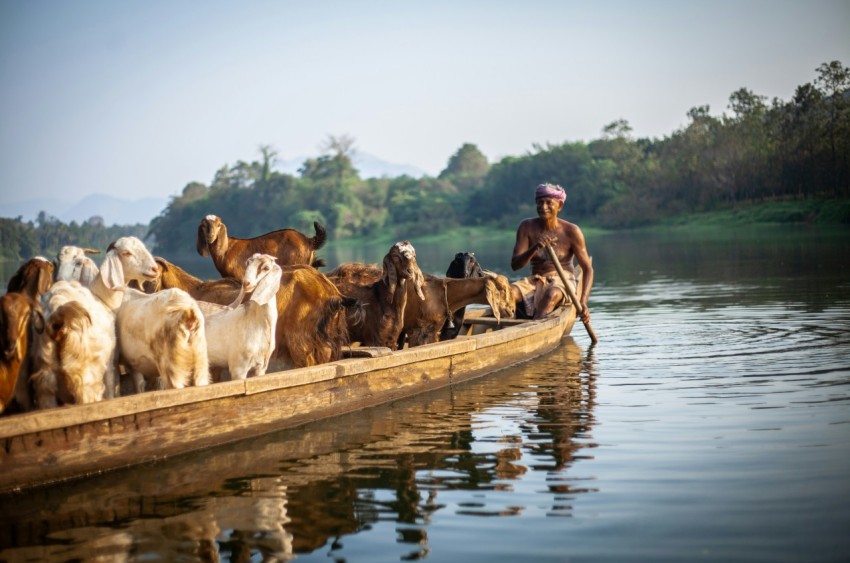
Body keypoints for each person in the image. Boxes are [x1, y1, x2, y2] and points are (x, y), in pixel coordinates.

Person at [510, 182, 594, 321]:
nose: (544, 207)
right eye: (540, 202)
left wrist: (583, 301)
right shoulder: (526, 227)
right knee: (508, 294)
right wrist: (535, 247)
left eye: (549, 203)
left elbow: (588, 269)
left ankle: (534, 328)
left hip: (563, 282)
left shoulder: (571, 231)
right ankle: (508, 326)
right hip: (535, 281)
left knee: (551, 294)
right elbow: (515, 265)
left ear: (559, 206)